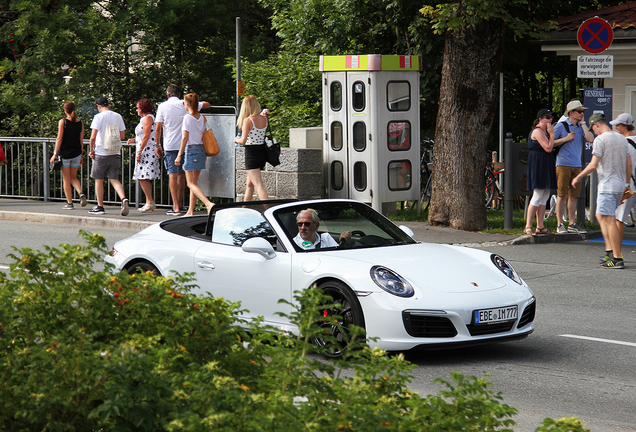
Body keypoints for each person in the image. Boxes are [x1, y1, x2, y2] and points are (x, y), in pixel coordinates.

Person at [572, 113, 631, 269]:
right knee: (600, 215)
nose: (594, 132)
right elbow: (628, 164)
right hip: (619, 185)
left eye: (593, 129)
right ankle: (609, 250)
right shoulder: (621, 138)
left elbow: (593, 165)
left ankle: (617, 258)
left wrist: (578, 177)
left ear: (596, 124)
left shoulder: (600, 140)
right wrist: (626, 184)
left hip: (608, 185)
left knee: (610, 220)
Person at [155, 84, 210, 216]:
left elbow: (158, 127)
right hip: (186, 146)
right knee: (183, 176)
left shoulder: (162, 106)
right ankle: (182, 205)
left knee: (172, 174)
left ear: (168, 95)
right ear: (179, 94)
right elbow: (207, 104)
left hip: (169, 145)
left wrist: (158, 144)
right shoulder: (184, 104)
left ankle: (175, 207)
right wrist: (199, 103)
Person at [553, 100, 594, 234]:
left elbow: (590, 138)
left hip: (577, 165)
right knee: (561, 195)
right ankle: (559, 224)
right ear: (571, 112)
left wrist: (582, 124)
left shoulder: (580, 127)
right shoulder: (561, 126)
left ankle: (572, 223)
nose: (582, 114)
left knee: (574, 196)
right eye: (579, 111)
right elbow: (550, 143)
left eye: (582, 112)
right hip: (563, 164)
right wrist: (565, 138)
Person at [599, 113, 636, 263]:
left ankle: (616, 254)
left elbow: (627, 165)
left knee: (618, 219)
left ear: (625, 126)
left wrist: (625, 186)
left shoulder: (623, 143)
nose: (616, 127)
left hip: (628, 187)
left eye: (619, 125)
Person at [174, 93, 214, 217]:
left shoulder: (187, 118)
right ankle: (190, 211)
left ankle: (208, 204)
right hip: (201, 150)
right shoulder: (201, 117)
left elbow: (185, 138)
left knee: (190, 184)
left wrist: (179, 154)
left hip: (191, 150)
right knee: (194, 183)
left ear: (187, 103)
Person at [88, 96, 128, 216]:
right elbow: (122, 136)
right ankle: (123, 199)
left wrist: (91, 150)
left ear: (98, 106)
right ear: (108, 104)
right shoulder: (118, 116)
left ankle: (100, 206)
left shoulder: (98, 117)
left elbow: (93, 137)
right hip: (115, 152)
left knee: (99, 180)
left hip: (101, 152)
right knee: (114, 179)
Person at [524, 109, 557, 236]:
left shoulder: (546, 131)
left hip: (546, 163)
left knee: (545, 195)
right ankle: (528, 225)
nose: (550, 120)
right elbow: (548, 148)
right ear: (540, 119)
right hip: (538, 163)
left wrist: (551, 134)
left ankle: (540, 226)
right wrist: (552, 134)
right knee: (537, 194)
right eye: (547, 117)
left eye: (551, 117)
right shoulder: (538, 131)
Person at [50, 101, 87, 210]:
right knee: (73, 177)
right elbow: (81, 141)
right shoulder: (80, 123)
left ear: (65, 110)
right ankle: (80, 193)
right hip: (76, 153)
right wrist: (81, 155)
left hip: (65, 154)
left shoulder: (63, 122)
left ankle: (70, 203)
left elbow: (59, 138)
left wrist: (54, 154)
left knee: (66, 179)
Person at [234, 95, 270, 201]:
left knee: (259, 185)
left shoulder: (248, 120)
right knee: (249, 184)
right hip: (261, 153)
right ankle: (245, 207)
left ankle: (269, 210)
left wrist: (236, 139)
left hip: (251, 154)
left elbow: (243, 141)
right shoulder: (264, 118)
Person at [127, 99, 160, 212]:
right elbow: (146, 136)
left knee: (143, 176)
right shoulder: (147, 118)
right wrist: (134, 140)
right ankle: (149, 201)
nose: (136, 110)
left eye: (137, 107)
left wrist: (140, 151)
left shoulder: (147, 118)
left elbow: (146, 136)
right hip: (146, 149)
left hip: (147, 151)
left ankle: (149, 201)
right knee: (143, 176)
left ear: (143, 108)